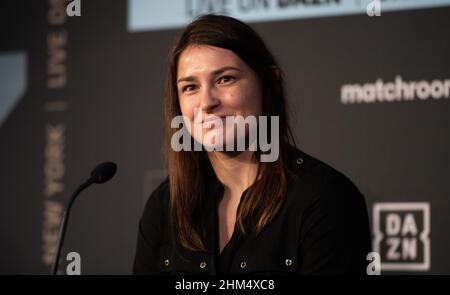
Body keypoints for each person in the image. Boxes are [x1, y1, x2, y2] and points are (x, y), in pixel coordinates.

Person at [133, 14, 371, 275]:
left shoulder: (325, 199)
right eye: (190, 87)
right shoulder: (164, 206)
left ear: (268, 82)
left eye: (225, 79)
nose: (206, 102)